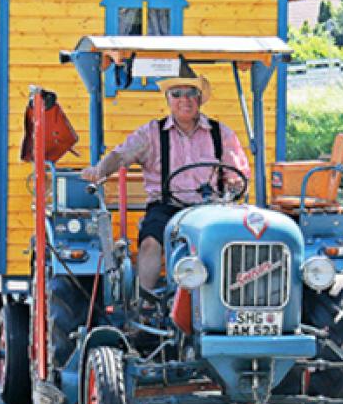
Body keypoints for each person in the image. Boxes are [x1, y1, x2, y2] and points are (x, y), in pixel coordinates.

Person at [81, 73, 250, 296]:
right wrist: (100, 171)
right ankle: (145, 303)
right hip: (166, 207)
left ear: (200, 99)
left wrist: (231, 193)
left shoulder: (221, 133)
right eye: (177, 94)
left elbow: (237, 176)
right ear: (168, 99)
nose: (184, 99)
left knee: (236, 240)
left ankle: (234, 300)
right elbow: (121, 156)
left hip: (210, 209)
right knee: (151, 241)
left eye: (191, 94)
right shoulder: (151, 133)